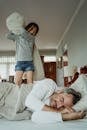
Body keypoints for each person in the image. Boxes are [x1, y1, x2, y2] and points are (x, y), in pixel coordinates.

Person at [6, 13, 39, 86]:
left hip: (29, 63)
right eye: (32, 28)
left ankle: (30, 96)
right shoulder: (18, 37)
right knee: (17, 83)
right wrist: (13, 29)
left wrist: (19, 27)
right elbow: (8, 36)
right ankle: (18, 96)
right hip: (19, 62)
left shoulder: (32, 38)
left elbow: (24, 34)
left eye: (35, 30)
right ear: (28, 27)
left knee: (30, 83)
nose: (33, 31)